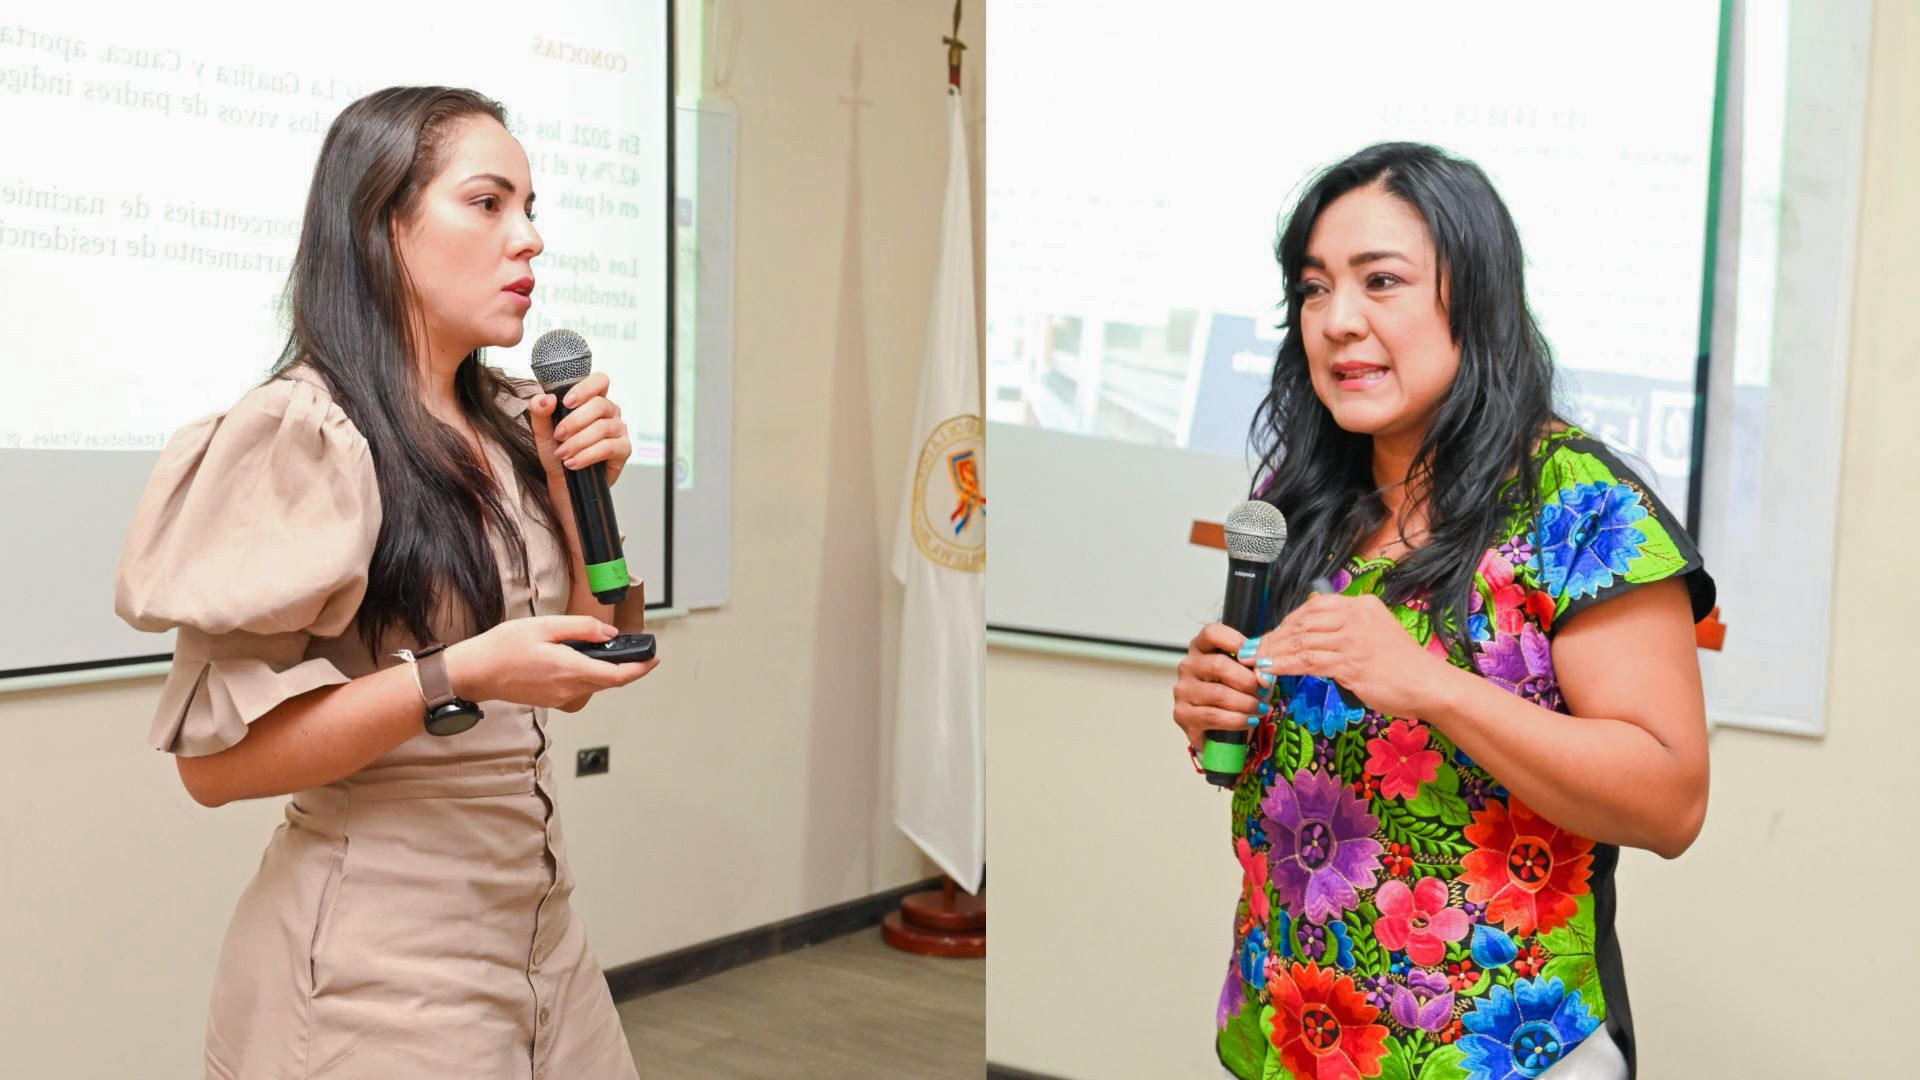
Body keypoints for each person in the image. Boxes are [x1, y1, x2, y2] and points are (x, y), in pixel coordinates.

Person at [113, 86, 657, 1079]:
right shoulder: (305, 433)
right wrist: (461, 674)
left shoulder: (511, 422)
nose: (527, 239)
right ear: (381, 225)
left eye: (533, 208)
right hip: (375, 969)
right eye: (489, 204)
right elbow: (214, 769)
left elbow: (582, 664)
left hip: (540, 938)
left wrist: (584, 498)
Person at [1171, 142, 1714, 1080]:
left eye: (1381, 281)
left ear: (1478, 297)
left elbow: (1671, 799)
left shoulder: (1576, 503)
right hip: (1294, 1032)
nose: (1338, 320)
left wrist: (1432, 687)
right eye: (1312, 288)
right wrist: (1218, 704)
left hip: (1505, 1051)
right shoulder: (1304, 495)